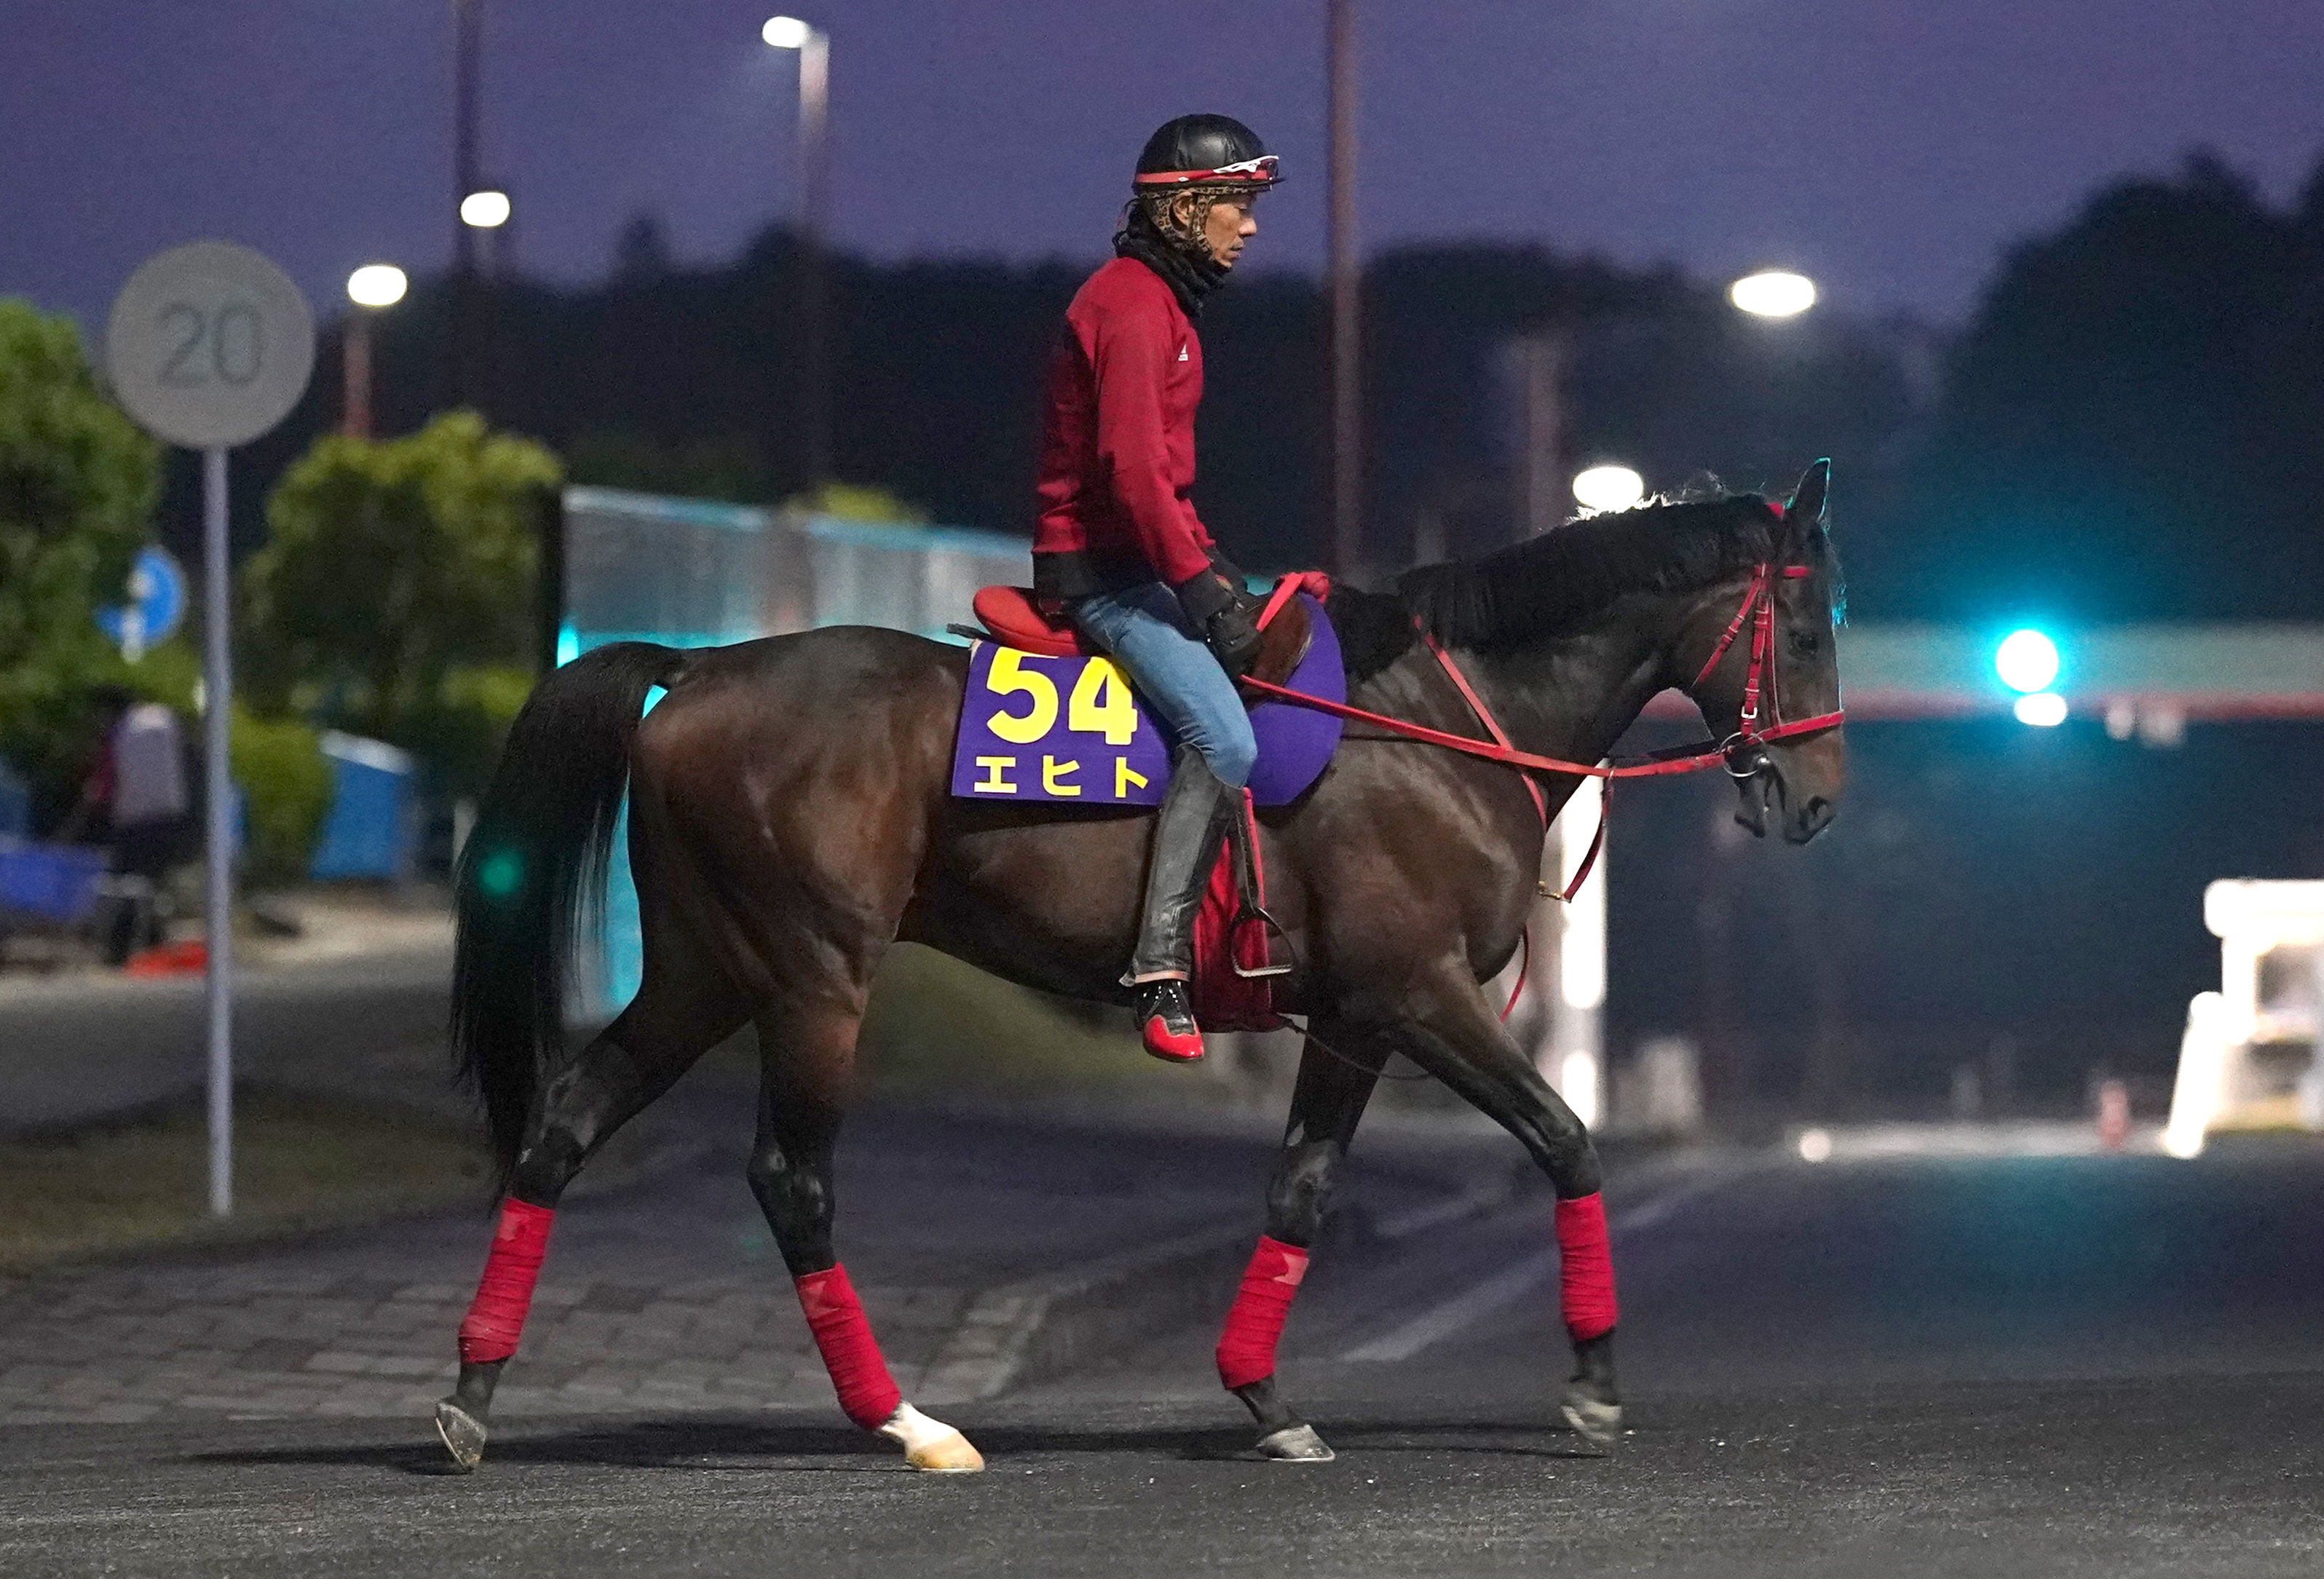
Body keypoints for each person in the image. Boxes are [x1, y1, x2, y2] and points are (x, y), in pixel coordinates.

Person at [1031, 114, 1280, 1064]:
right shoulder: (1132, 308)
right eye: (1237, 204)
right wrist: (1200, 588)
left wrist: (1217, 574)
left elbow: (1165, 487)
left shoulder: (1165, 306)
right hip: (1104, 579)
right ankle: (1160, 967)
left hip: (1143, 567)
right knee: (1226, 736)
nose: (1249, 226)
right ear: (1183, 210)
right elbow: (1133, 479)